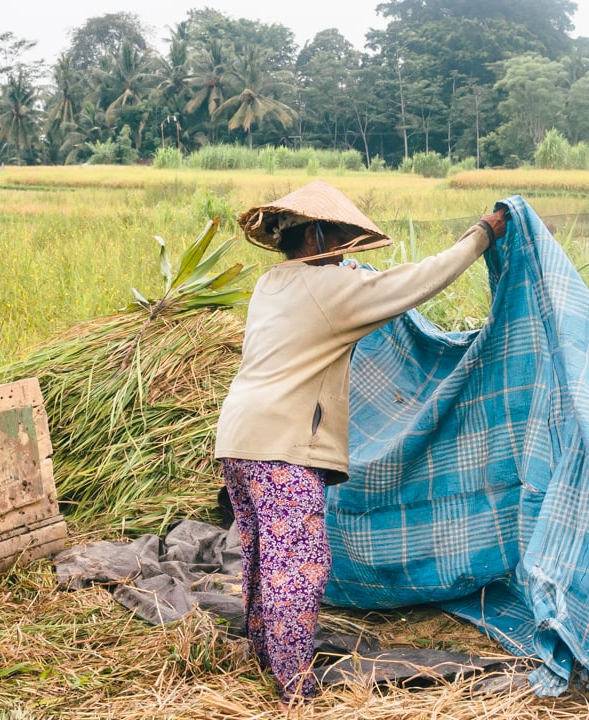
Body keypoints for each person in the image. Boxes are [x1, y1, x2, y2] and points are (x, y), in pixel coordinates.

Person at [214, 179, 508, 710]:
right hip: (281, 445)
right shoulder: (331, 291)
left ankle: (267, 655)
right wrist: (480, 236)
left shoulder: (271, 284)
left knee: (263, 554)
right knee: (299, 562)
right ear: (319, 236)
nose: (344, 255)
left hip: (237, 438)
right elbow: (418, 281)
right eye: (339, 243)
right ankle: (293, 686)